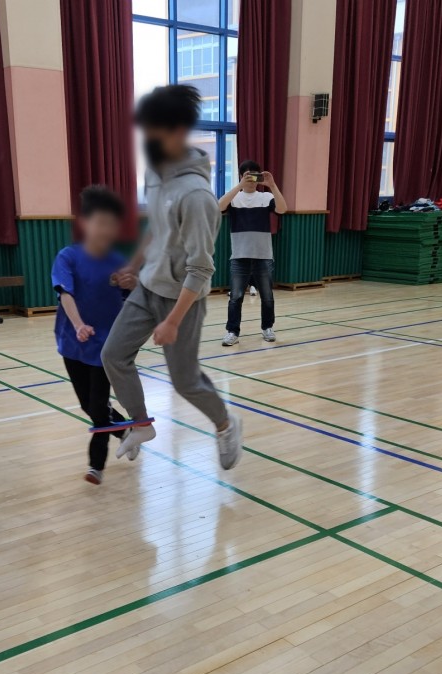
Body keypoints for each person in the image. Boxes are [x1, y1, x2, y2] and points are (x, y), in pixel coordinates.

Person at [101, 84, 243, 470]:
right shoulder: (156, 173)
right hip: (147, 287)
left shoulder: (197, 197)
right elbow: (157, 227)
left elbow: (202, 268)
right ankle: (141, 423)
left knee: (185, 381)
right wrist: (134, 265)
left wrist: (173, 321)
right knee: (113, 355)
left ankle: (225, 424)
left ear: (178, 130)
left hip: (182, 299)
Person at [52, 186, 139, 485]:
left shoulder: (118, 261)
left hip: (106, 346)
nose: (106, 229)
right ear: (85, 223)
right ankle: (125, 430)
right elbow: (65, 293)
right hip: (73, 342)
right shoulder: (67, 257)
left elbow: (131, 300)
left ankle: (96, 466)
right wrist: (78, 325)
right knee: (88, 405)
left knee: (99, 407)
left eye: (111, 223)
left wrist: (133, 285)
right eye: (100, 222)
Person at [219, 161, 287, 346]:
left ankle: (267, 328)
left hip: (263, 256)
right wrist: (239, 186)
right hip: (239, 256)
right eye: (247, 175)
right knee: (235, 297)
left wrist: (272, 185)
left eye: (255, 175)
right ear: (241, 176)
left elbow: (282, 209)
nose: (251, 179)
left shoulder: (266, 197)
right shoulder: (235, 198)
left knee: (267, 297)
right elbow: (219, 206)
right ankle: (232, 332)